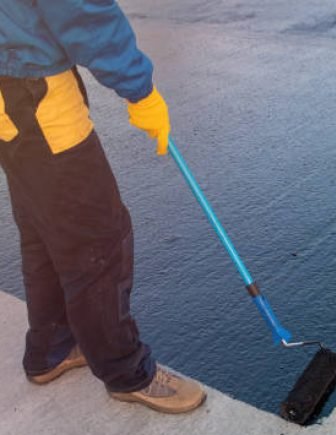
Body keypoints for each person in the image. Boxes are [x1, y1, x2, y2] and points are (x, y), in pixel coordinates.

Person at [0, 0, 206, 414]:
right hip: (37, 95)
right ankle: (127, 372)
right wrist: (140, 90)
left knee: (43, 231)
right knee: (98, 240)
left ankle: (52, 348)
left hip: (9, 95)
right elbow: (81, 11)